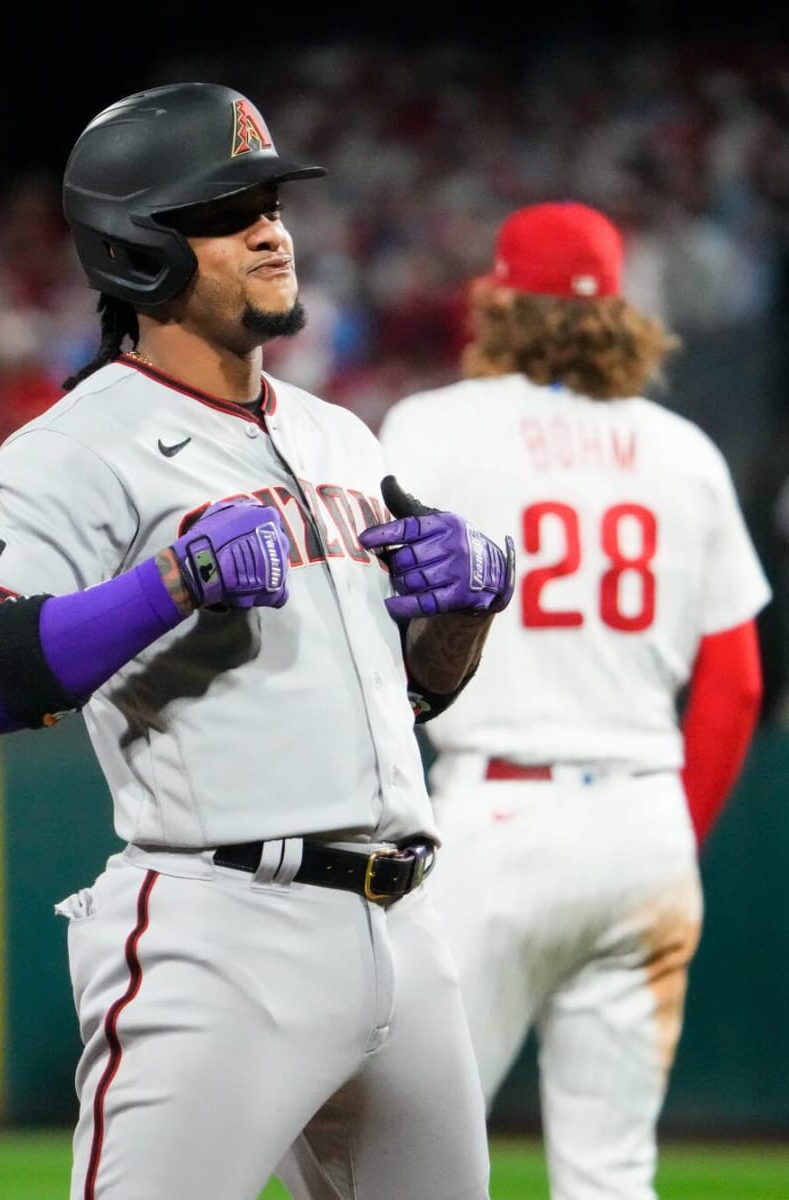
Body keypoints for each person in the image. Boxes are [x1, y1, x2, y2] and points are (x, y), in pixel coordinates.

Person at [0, 82, 517, 1200]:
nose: (272, 227)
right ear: (138, 247)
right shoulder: (73, 449)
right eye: (230, 209)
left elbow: (409, 703)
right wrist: (165, 587)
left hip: (405, 926)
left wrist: (466, 610)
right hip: (223, 930)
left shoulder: (337, 433)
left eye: (272, 200)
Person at [375, 200, 773, 1200]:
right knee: (610, 1178)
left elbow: (364, 625)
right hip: (642, 815)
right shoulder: (685, 452)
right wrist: (669, 834)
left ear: (501, 302)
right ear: (619, 314)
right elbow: (737, 683)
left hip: (495, 814)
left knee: (397, 1153)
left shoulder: (430, 426)